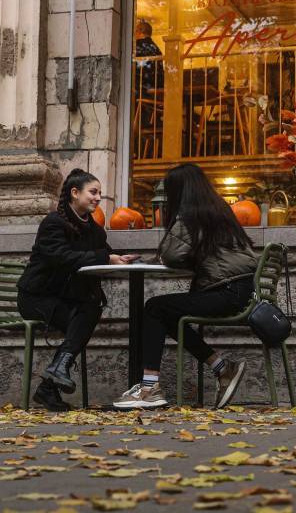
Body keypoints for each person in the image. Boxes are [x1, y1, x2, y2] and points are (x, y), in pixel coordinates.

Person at [113, 163, 258, 410]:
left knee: (154, 308)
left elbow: (170, 255)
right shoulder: (217, 208)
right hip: (237, 290)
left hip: (227, 292)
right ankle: (222, 368)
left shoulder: (192, 214)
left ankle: (149, 388)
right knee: (165, 314)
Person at [17, 169, 137, 411]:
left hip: (65, 298)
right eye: (93, 192)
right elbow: (63, 258)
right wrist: (107, 257)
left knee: (90, 309)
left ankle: (50, 385)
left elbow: (101, 255)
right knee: (84, 316)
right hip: (37, 298)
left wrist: (119, 259)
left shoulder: (93, 229)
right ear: (74, 193)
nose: (98, 198)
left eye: (100, 193)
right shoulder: (53, 223)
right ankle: (53, 380)